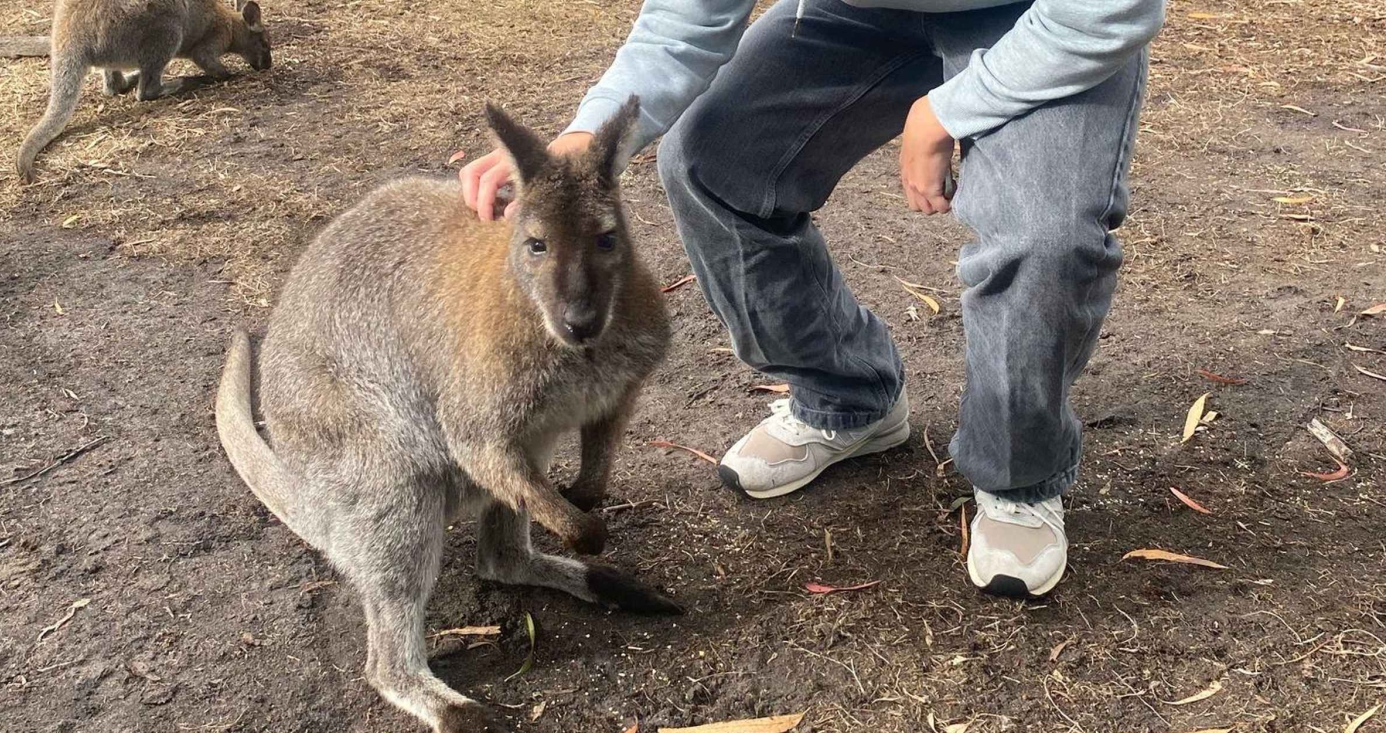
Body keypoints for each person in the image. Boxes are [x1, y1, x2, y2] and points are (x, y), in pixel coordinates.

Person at [460, 0, 1164, 598]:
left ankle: (1018, 473)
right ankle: (846, 396)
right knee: (711, 163)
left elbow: (1108, 9)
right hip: (860, 13)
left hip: (1041, 16)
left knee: (1043, 235)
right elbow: (685, 21)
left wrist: (947, 110)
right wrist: (581, 144)